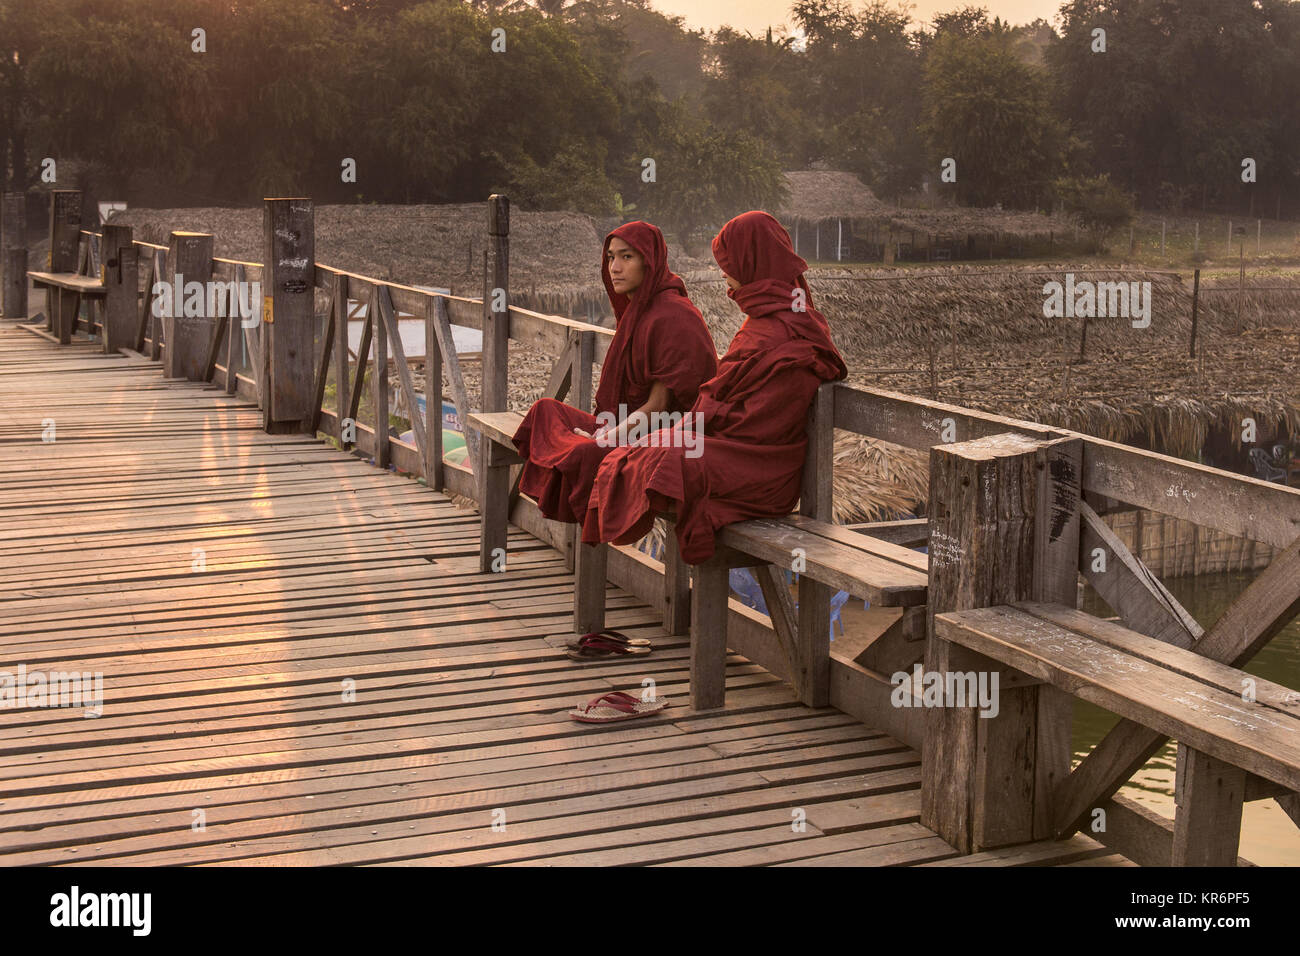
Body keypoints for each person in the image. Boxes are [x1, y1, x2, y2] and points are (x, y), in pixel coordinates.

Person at [580, 210, 848, 564]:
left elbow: (761, 419)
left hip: (763, 466)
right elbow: (724, 395)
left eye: (729, 262)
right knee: (649, 448)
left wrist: (699, 421)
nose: (723, 272)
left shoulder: (792, 329)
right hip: (730, 444)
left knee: (667, 456)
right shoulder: (762, 322)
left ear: (753, 260)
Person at [511, 221, 717, 524]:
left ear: (650, 261)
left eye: (627, 257)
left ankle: (587, 454)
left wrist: (605, 439)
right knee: (545, 410)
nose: (614, 268)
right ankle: (587, 447)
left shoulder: (674, 315)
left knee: (581, 455)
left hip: (661, 439)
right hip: (623, 425)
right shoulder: (636, 311)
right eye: (610, 257)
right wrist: (606, 431)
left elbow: (658, 408)